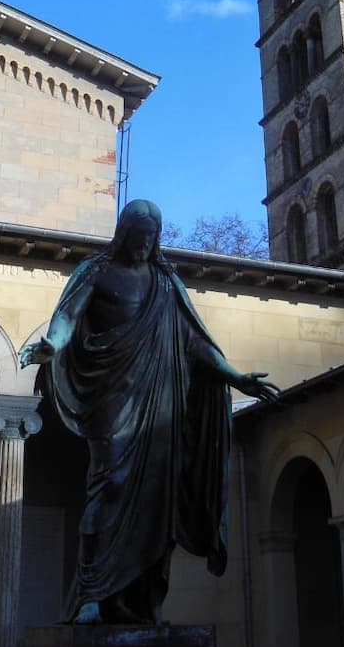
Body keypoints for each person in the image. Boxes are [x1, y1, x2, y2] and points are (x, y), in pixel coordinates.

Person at [19, 199, 278, 625]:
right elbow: (68, 316)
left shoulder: (165, 281)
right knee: (109, 487)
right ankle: (91, 594)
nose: (143, 245)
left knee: (160, 500)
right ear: (124, 234)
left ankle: (142, 604)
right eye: (138, 237)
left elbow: (195, 342)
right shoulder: (97, 270)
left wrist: (235, 377)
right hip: (113, 397)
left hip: (162, 405)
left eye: (151, 238)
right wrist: (54, 344)